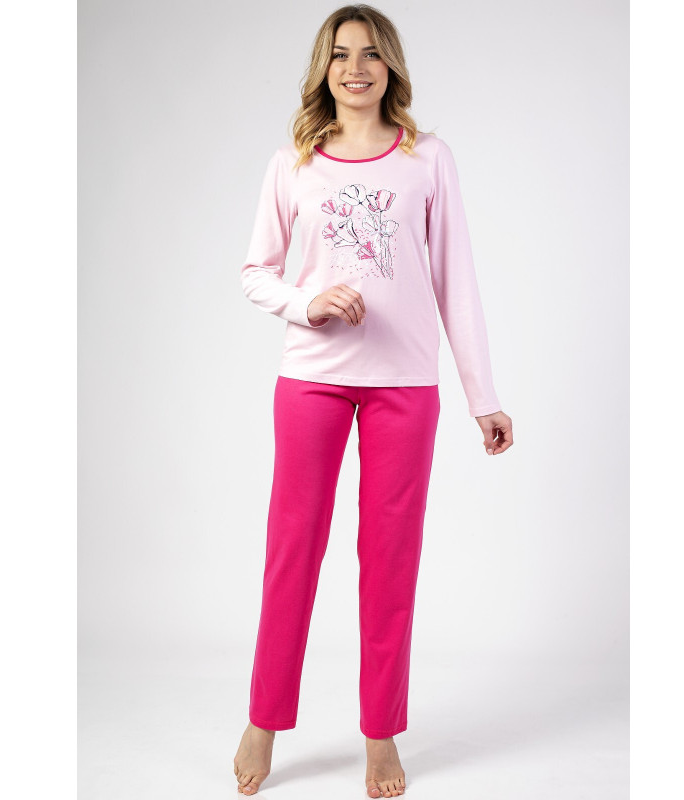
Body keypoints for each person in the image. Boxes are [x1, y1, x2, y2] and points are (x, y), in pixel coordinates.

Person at [233, 4, 513, 796]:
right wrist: (308, 303)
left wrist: (483, 397)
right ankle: (264, 717)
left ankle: (381, 733)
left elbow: (457, 280)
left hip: (405, 385)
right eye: (340, 55)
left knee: (390, 561)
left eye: (370, 54)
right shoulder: (293, 162)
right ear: (322, 69)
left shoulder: (428, 158)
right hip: (312, 379)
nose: (355, 69)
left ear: (391, 66)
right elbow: (255, 272)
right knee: (293, 552)